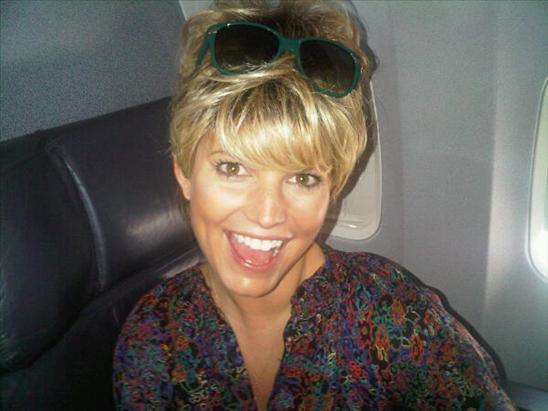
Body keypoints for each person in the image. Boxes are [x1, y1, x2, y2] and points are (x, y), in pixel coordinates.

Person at [113, 1, 515, 409]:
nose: (267, 215)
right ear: (184, 172)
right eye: (233, 167)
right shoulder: (154, 333)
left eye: (303, 178)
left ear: (333, 188)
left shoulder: (391, 313)